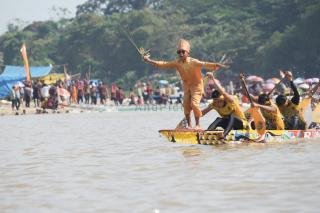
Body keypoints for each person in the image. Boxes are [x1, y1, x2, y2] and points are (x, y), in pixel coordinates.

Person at [143, 38, 228, 129]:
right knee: (186, 106)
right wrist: (149, 61)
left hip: (197, 86)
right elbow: (164, 64)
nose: (181, 54)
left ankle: (198, 125)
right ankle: (189, 126)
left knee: (194, 104)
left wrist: (216, 65)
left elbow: (205, 64)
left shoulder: (194, 62)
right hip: (187, 86)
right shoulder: (177, 63)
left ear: (188, 52)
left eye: (183, 52)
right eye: (179, 52)